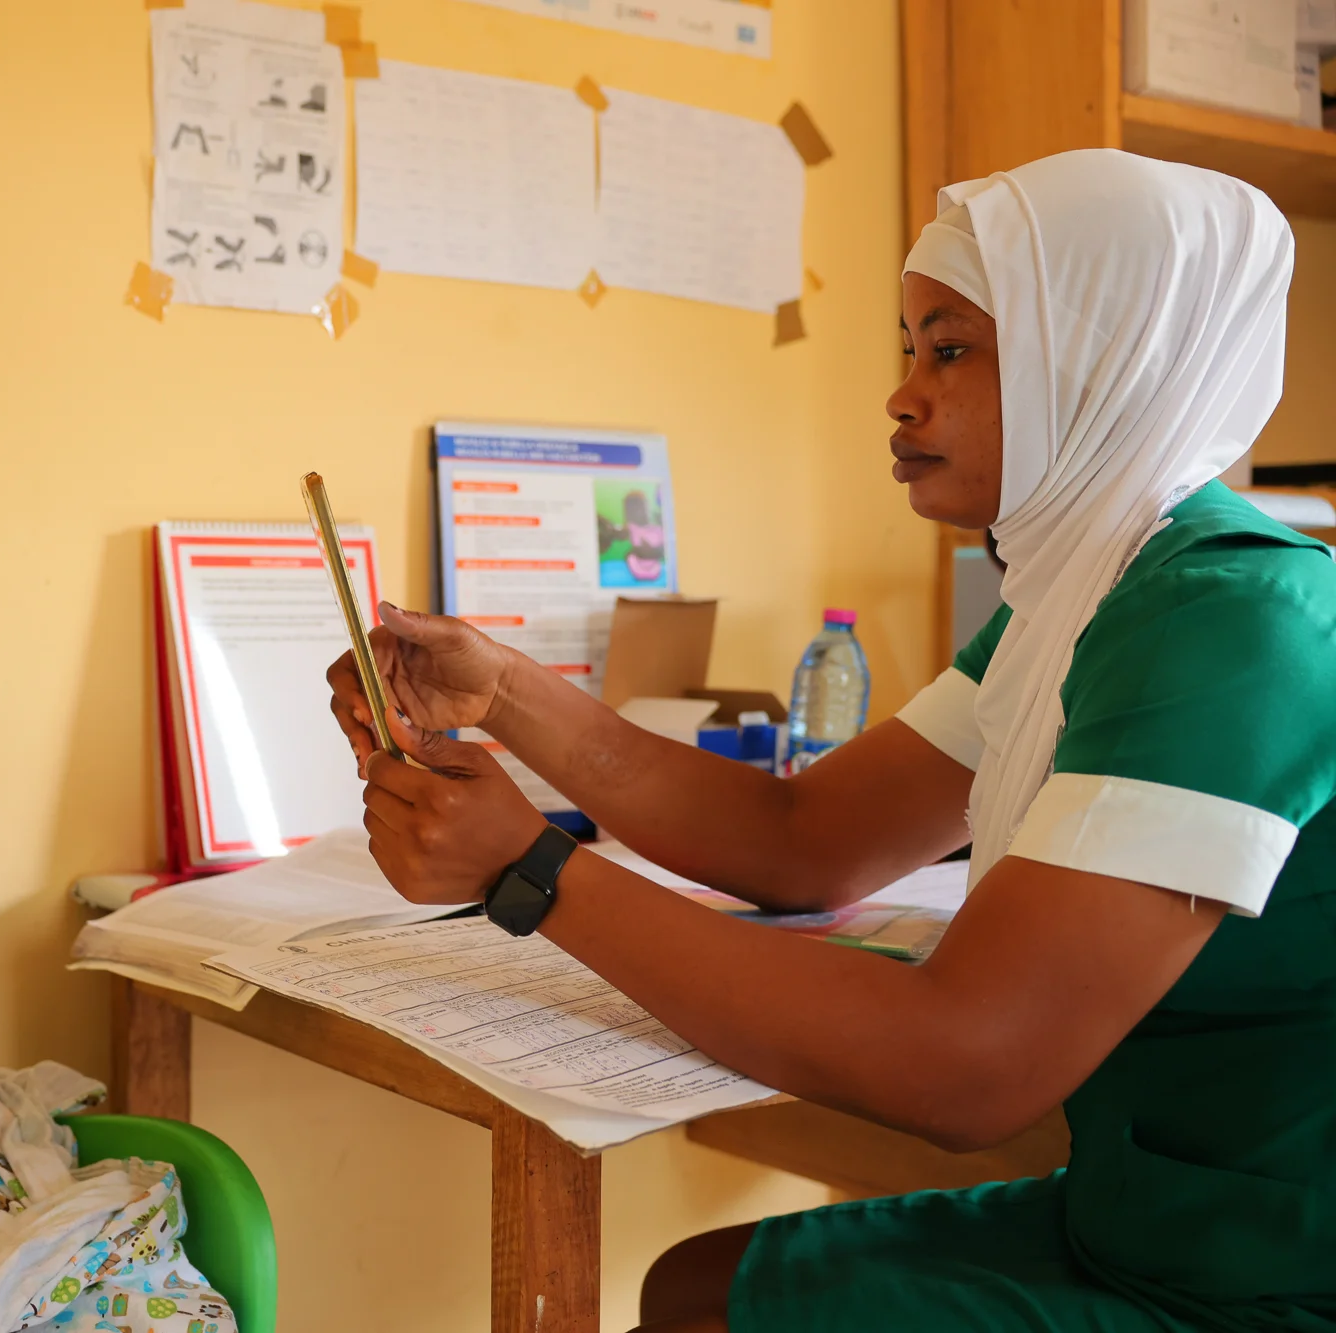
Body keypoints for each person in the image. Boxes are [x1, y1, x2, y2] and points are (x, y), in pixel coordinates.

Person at [328, 150, 1335, 1330]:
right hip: (1153, 1219)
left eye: (948, 349)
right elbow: (801, 839)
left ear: (1105, 354)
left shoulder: (1226, 623)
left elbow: (969, 1062)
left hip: (1272, 1275)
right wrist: (501, 693)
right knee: (693, 1290)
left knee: (702, 1309)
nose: (900, 397)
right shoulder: (1080, 598)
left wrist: (529, 870)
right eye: (906, 350)